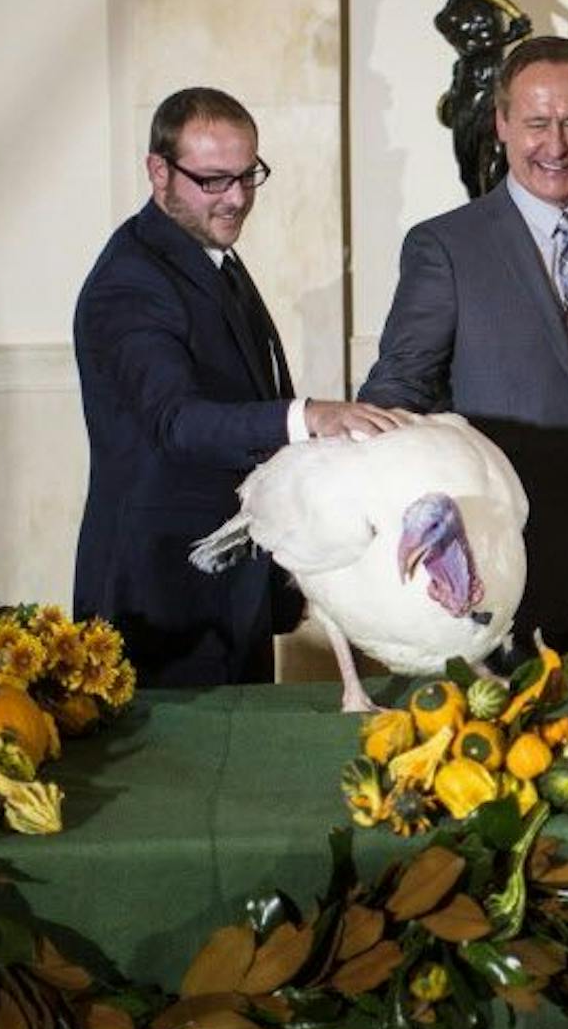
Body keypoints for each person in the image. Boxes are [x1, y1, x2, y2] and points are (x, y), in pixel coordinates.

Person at [360, 35, 568, 670]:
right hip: (502, 579)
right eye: (537, 123)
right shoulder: (447, 248)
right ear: (501, 124)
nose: (556, 145)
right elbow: (394, 398)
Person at [73, 87, 403, 687]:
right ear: (158, 171)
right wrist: (309, 418)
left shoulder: (204, 252)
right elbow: (177, 423)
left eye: (248, 176)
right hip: (164, 601)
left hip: (230, 592)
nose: (237, 199)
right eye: (214, 180)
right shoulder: (131, 279)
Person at [422, 0, 543, 199]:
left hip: (499, 88)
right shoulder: (446, 17)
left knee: (498, 159)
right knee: (469, 166)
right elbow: (470, 49)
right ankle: (478, 221)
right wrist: (510, 35)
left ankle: (501, 220)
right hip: (471, 89)